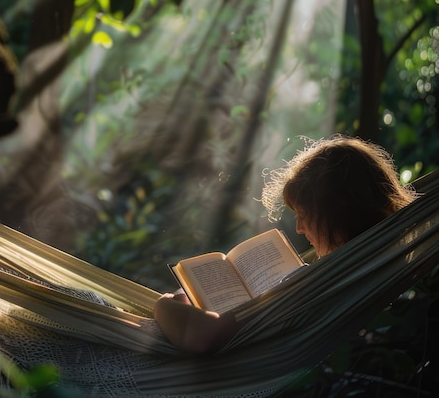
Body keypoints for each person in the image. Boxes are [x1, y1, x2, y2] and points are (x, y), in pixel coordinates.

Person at [153, 135, 418, 353]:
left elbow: (206, 336)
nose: (299, 229)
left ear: (337, 214)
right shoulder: (375, 274)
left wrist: (163, 305)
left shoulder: (316, 283)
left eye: (304, 215)